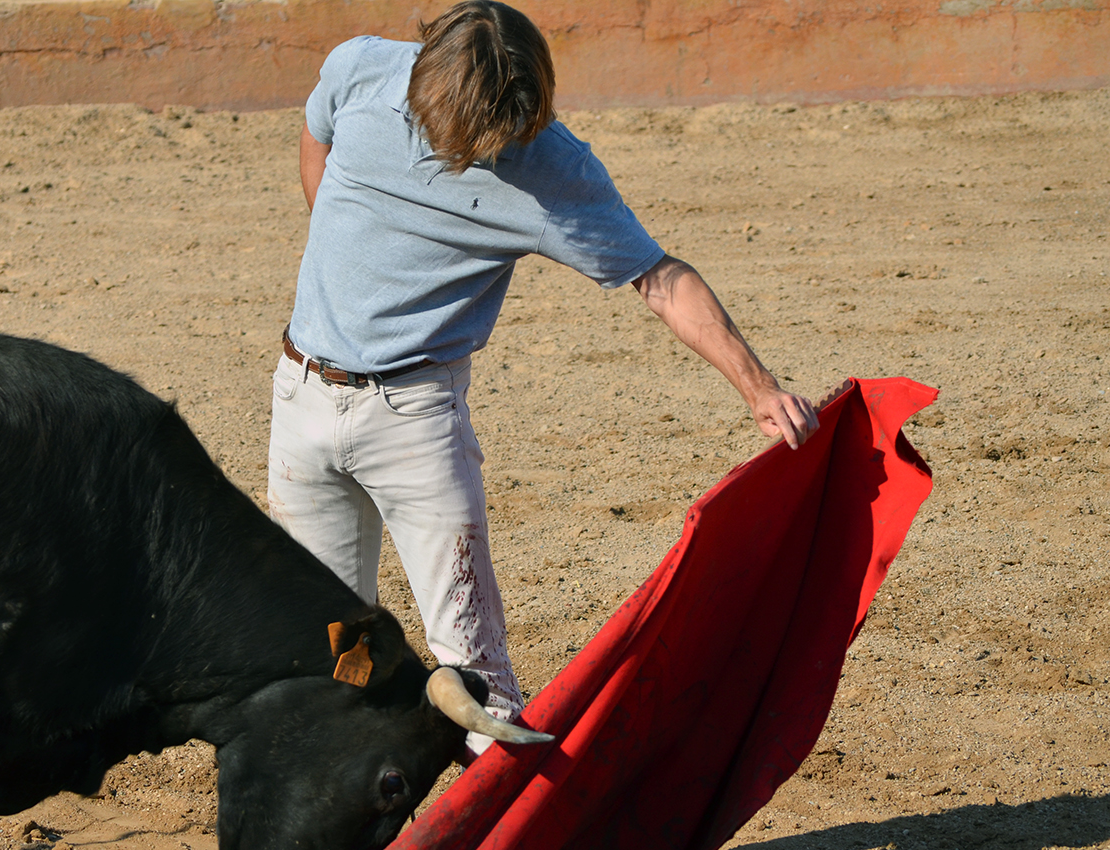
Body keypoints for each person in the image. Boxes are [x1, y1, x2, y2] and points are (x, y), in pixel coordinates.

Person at [267, 1, 818, 754]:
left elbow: (658, 279)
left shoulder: (548, 169)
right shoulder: (362, 68)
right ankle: (350, 829)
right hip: (299, 395)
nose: (455, 153)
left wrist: (759, 387)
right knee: (333, 639)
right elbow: (317, 133)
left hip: (412, 421)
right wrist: (337, 261)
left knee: (477, 675)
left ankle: (505, 842)